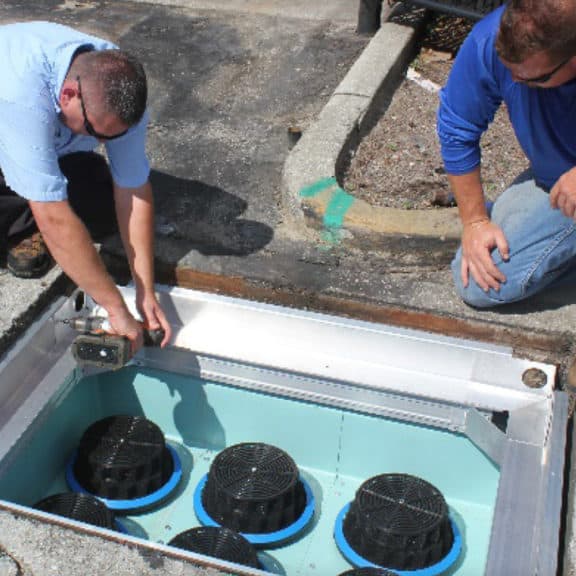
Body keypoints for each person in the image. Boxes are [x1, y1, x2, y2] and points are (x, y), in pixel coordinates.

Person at [0, 21, 171, 349]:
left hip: (41, 145)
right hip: (8, 133)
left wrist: (145, 292)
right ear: (68, 95)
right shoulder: (19, 90)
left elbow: (133, 190)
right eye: (95, 132)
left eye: (111, 137)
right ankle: (24, 221)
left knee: (102, 210)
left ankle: (32, 199)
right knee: (57, 220)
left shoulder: (117, 91)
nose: (102, 141)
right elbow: (53, 216)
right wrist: (116, 309)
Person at [438, 0, 576, 308]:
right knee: (481, 281)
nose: (516, 83)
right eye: (509, 70)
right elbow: (457, 129)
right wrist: (474, 222)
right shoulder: (488, 38)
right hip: (554, 182)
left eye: (534, 79)